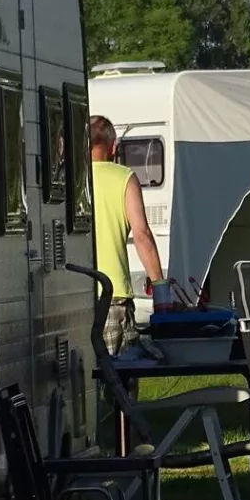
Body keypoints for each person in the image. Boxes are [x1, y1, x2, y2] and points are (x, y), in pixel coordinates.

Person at [89, 115, 166, 355]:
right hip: (112, 294)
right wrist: (160, 288)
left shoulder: (68, 179)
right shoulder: (124, 178)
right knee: (121, 376)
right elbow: (141, 235)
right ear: (113, 146)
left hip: (74, 293)